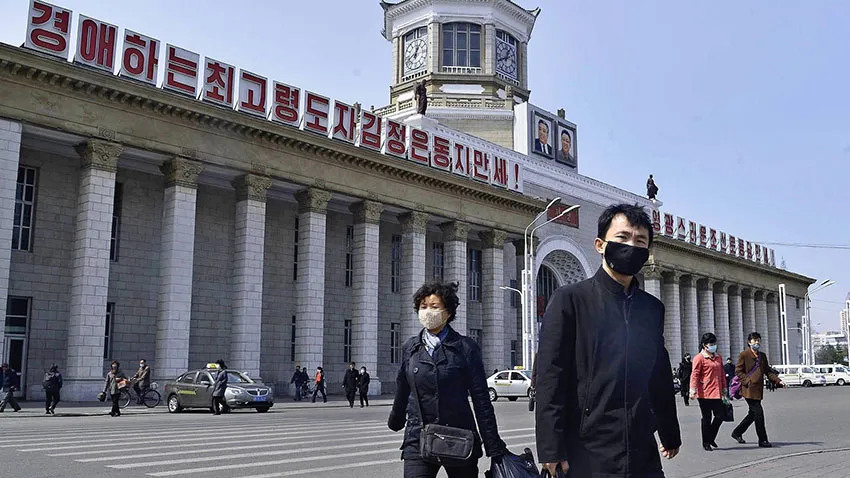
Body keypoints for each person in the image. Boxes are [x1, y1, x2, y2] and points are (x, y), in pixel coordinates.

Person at [536, 203, 681, 478]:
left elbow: (659, 373)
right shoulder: (571, 301)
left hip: (641, 449)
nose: (631, 246)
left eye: (640, 241)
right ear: (600, 244)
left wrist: (669, 431)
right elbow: (551, 377)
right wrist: (550, 448)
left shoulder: (651, 308)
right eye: (622, 238)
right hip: (587, 451)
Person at [388, 281, 507, 478]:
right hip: (418, 437)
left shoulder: (465, 348)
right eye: (423, 307)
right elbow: (403, 387)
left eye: (434, 307)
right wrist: (396, 418)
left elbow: (481, 400)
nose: (427, 312)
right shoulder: (411, 347)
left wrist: (493, 445)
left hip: (459, 438)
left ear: (448, 312)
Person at [731, 332, 783, 448]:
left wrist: (778, 380)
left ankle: (737, 432)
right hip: (748, 389)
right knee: (759, 413)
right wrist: (747, 381)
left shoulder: (762, 356)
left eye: (758, 340)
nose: (757, 342)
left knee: (753, 414)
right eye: (754, 340)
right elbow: (738, 371)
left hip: (758, 390)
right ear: (749, 342)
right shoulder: (744, 355)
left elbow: (767, 371)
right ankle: (763, 440)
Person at [689, 333, 728, 451]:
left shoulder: (718, 357)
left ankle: (710, 437)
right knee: (706, 418)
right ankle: (706, 442)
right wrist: (692, 390)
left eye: (714, 343)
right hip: (704, 393)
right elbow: (695, 374)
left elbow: (721, 373)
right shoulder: (699, 358)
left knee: (720, 415)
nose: (713, 346)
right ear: (704, 345)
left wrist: (724, 388)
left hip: (716, 392)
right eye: (711, 344)